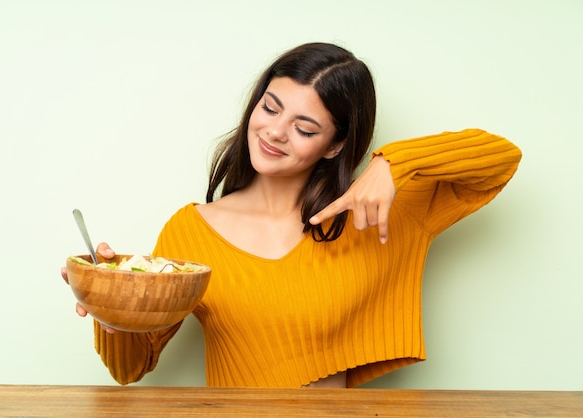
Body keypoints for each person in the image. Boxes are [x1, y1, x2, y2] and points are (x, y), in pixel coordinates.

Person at [61, 42, 522, 388]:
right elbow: (130, 370)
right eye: (270, 107)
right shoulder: (192, 230)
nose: (275, 132)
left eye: (304, 128)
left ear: (336, 145)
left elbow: (501, 158)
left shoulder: (379, 213)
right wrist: (111, 304)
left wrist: (391, 163)